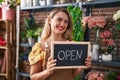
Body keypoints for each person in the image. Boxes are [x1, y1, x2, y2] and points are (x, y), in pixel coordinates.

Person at [28, 7, 91, 80]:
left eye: (66, 22)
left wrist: (81, 66)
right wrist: (47, 71)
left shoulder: (72, 45)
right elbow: (33, 77)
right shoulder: (39, 47)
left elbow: (73, 75)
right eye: (59, 19)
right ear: (49, 20)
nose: (62, 24)